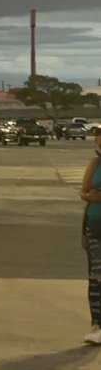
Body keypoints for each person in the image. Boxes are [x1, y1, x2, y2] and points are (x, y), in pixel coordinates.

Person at [79, 128, 101, 345]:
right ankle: (97, 323)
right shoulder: (95, 164)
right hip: (94, 226)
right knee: (95, 276)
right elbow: (84, 191)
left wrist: (98, 196)